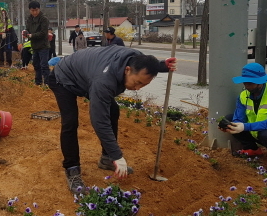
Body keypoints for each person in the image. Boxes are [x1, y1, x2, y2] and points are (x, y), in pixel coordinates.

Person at [48, 46, 177, 194]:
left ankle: (106, 158)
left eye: (143, 84)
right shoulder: (104, 81)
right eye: (137, 83)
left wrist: (161, 66)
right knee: (70, 122)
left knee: (113, 110)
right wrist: (118, 156)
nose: (138, 88)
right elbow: (99, 120)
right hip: (63, 78)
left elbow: (145, 64)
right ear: (127, 70)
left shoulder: (135, 58)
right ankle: (72, 169)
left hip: (87, 76)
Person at [25, 1, 50, 85]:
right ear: (29, 10)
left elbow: (43, 33)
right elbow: (28, 29)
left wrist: (31, 35)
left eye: (36, 10)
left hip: (43, 45)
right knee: (36, 65)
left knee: (44, 65)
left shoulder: (44, 19)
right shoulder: (29, 19)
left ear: (39, 9)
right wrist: (25, 32)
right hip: (34, 46)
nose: (34, 12)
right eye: (32, 10)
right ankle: (38, 82)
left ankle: (48, 82)